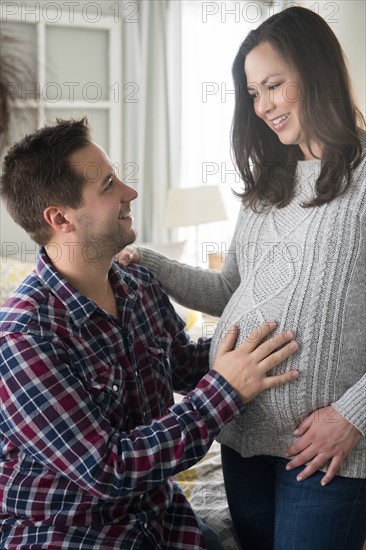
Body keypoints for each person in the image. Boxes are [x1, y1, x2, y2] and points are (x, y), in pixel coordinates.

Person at [118, 6, 366, 550]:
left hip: (326, 450)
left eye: (274, 86)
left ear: (317, 72)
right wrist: (149, 261)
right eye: (254, 94)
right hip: (240, 433)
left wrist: (353, 416)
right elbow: (228, 291)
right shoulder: (266, 187)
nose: (264, 107)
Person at [0, 118, 300, 550]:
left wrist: (273, 336)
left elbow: (183, 364)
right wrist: (224, 391)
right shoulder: (22, 338)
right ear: (60, 218)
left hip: (159, 517)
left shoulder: (137, 285)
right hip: (69, 533)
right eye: (108, 186)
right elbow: (109, 468)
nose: (130, 192)